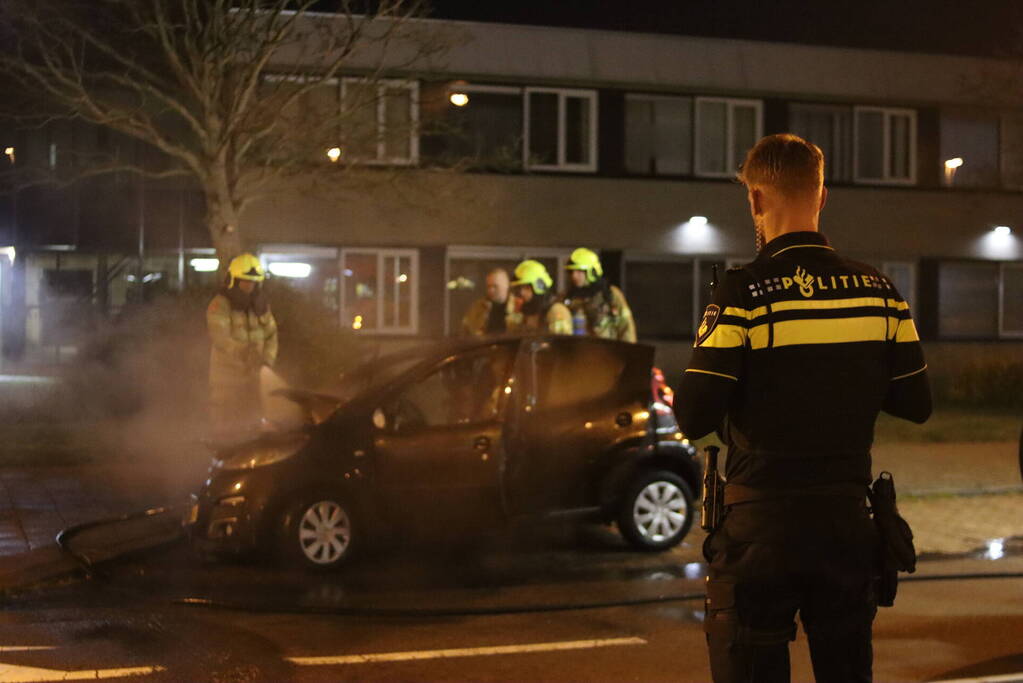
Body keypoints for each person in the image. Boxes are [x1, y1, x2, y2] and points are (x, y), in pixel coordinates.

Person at [674, 134, 931, 682]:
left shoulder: (740, 295)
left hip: (759, 531)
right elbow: (917, 404)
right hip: (845, 527)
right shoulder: (880, 292)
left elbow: (692, 418)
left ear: (756, 200)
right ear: (822, 196)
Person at [206, 253, 279, 442]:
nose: (249, 286)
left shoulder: (261, 306)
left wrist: (267, 360)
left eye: (253, 282)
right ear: (233, 280)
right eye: (245, 281)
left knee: (255, 422)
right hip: (227, 377)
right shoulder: (220, 305)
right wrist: (244, 352)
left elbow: (272, 335)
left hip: (255, 375)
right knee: (225, 427)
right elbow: (220, 338)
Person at [564, 247, 637, 342]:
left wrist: (628, 353)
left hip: (608, 351)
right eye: (571, 272)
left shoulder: (610, 294)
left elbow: (626, 326)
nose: (574, 276)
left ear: (592, 272)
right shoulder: (569, 297)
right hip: (580, 352)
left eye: (579, 271)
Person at [509, 259, 572, 335]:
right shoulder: (524, 314)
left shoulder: (557, 311)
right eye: (519, 288)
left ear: (540, 287)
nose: (521, 293)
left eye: (526, 287)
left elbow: (562, 343)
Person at [460, 267, 519, 336]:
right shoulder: (478, 308)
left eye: (495, 286)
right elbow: (465, 331)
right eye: (488, 286)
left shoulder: (518, 306)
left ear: (506, 285)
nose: (491, 290)